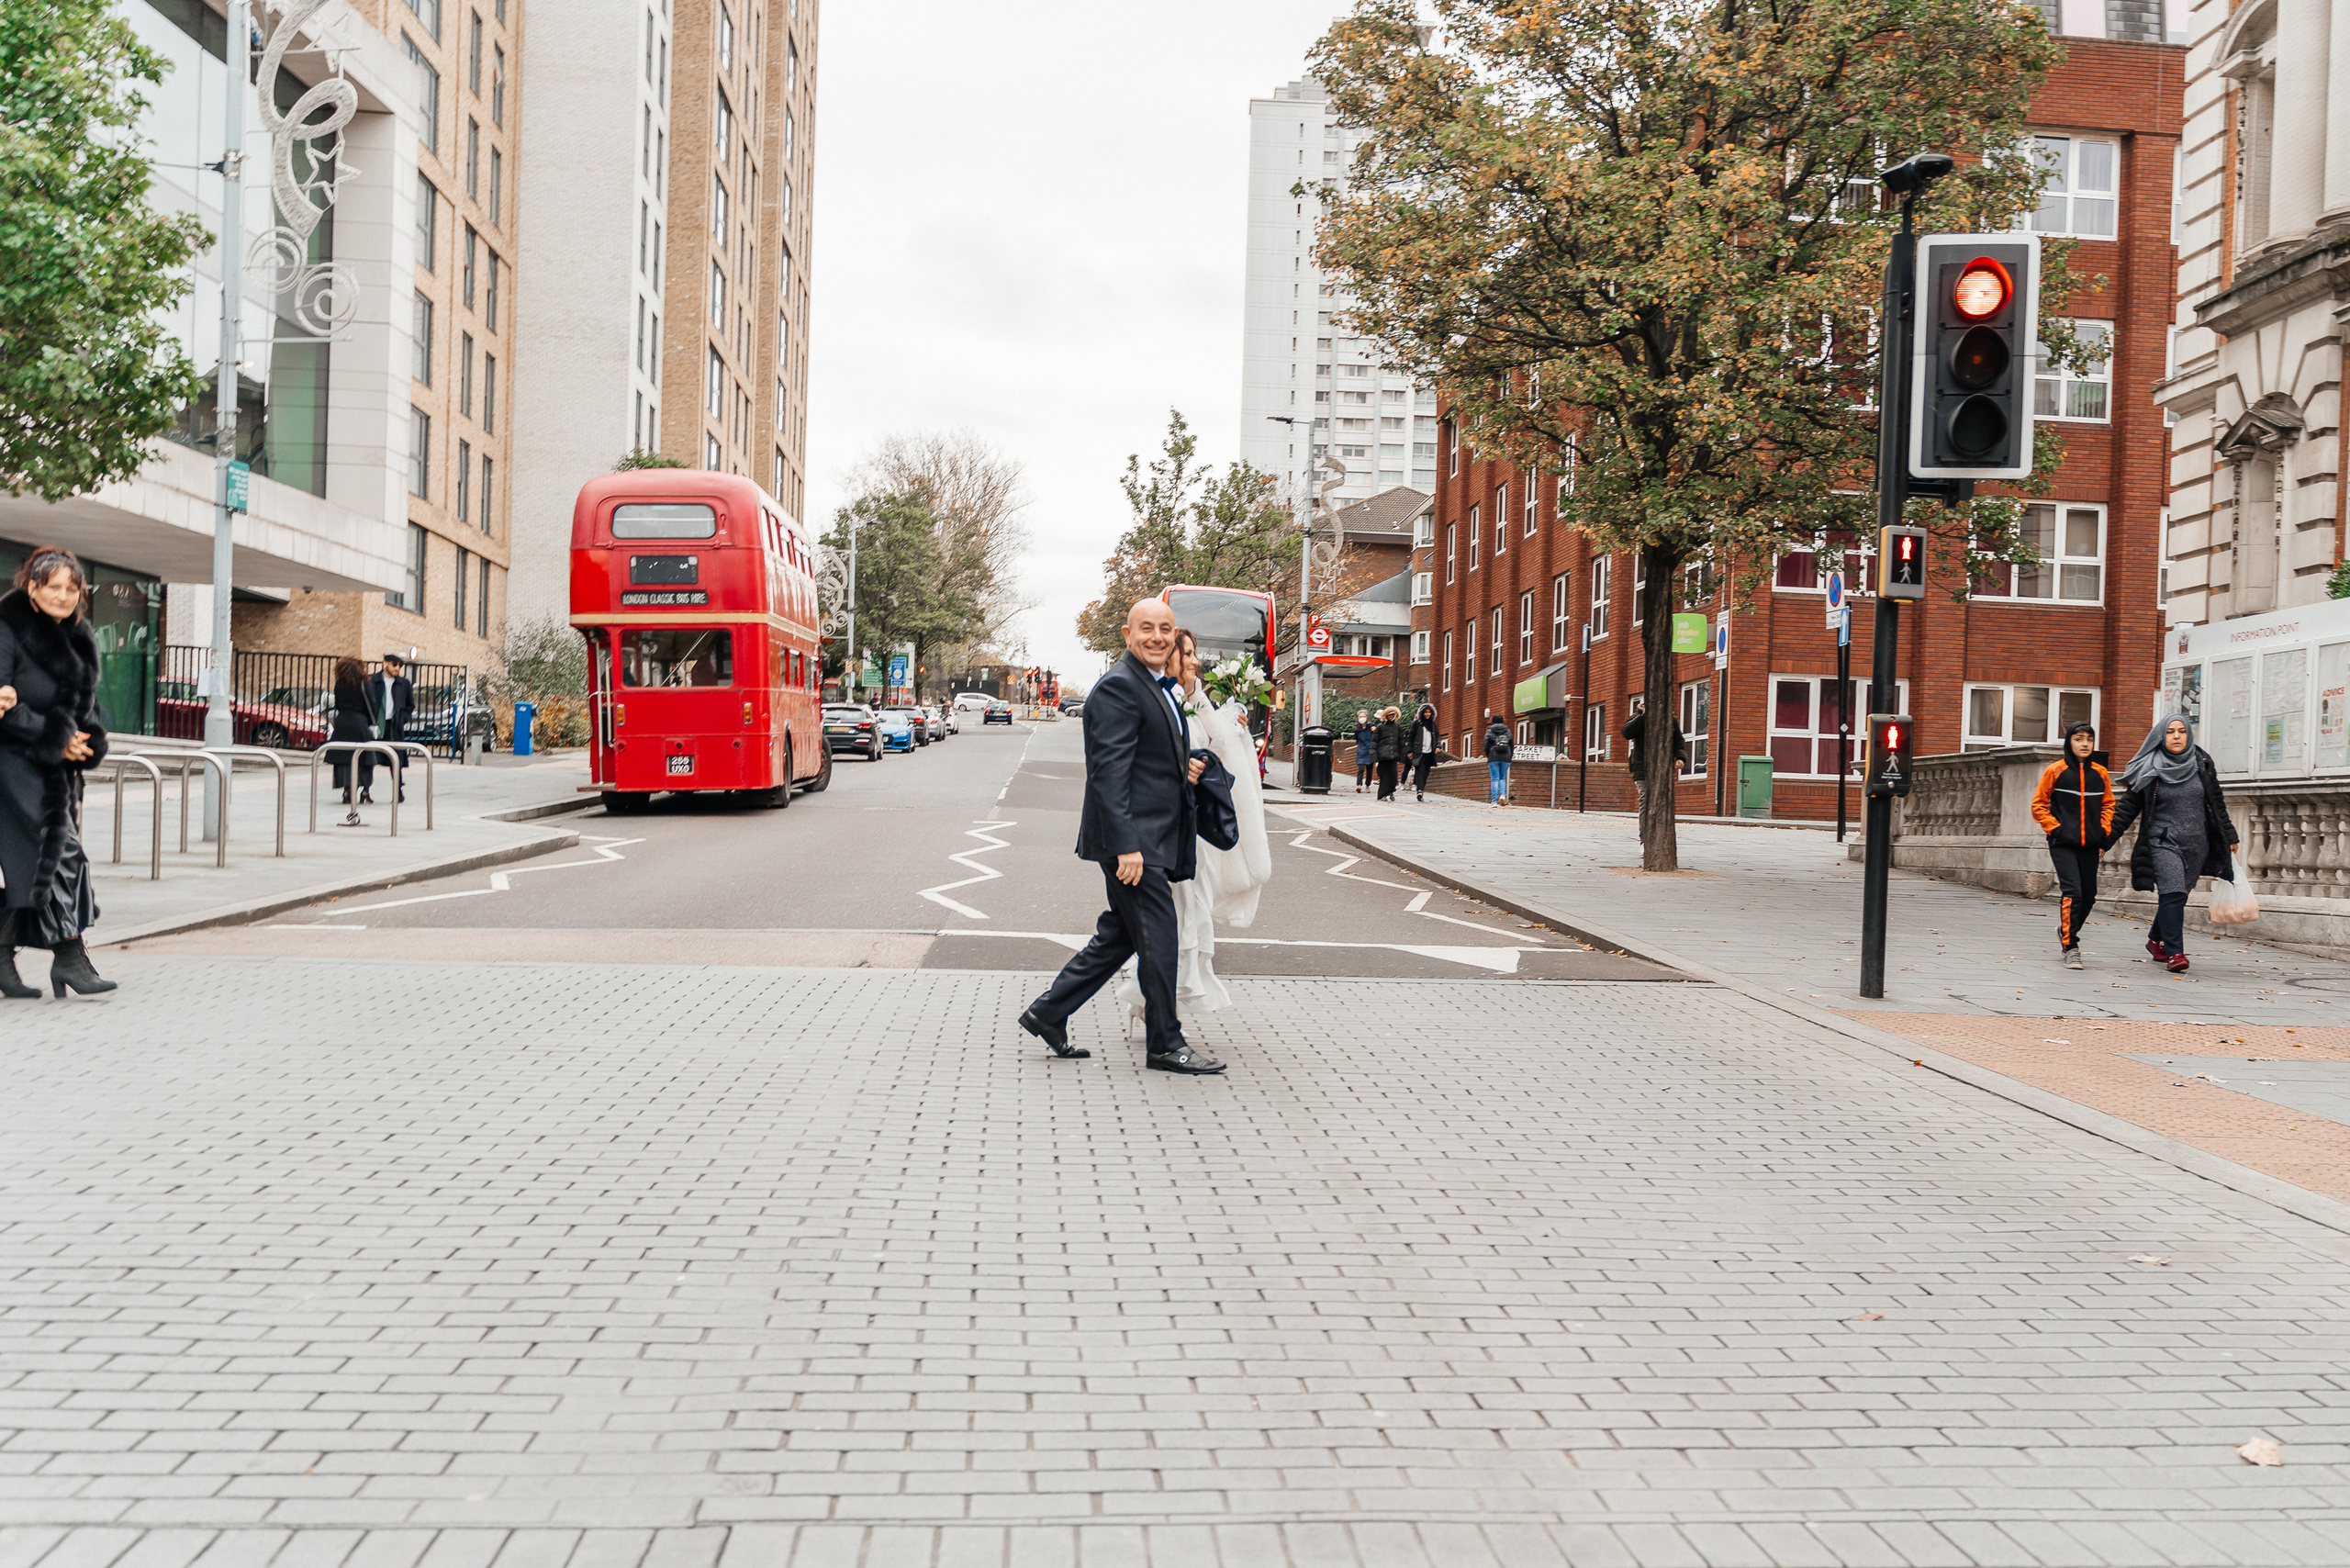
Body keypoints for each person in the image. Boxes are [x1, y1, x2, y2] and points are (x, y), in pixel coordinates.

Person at [1018, 599, 1222, 1074]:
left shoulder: (1153, 684)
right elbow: (1108, 773)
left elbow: (1144, 758)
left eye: (1165, 629)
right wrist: (1127, 845)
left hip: (1149, 834)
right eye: (1146, 628)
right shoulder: (1119, 686)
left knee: (1122, 934)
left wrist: (1184, 767)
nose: (1157, 637)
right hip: (1134, 841)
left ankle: (1048, 1012)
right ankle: (1165, 1044)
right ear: (1128, 635)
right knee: (1160, 936)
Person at [1115, 628, 1272, 1031]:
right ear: (1169, 658)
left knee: (1189, 911)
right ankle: (1159, 1008)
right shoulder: (1160, 700)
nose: (1194, 661)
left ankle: (1155, 1004)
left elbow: (1218, 742)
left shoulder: (1191, 700)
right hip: (1168, 828)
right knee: (1176, 914)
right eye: (1186, 654)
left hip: (1194, 830)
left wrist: (1229, 718)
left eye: (1193, 653)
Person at [0, 546, 116, 999]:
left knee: (30, 865)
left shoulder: (79, 634)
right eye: (54, 587)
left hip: (58, 771)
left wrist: (87, 740)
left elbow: (85, 703)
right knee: (61, 854)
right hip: (13, 764)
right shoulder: (7, 627)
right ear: (33, 588)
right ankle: (69, 955)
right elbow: (4, 705)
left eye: (72, 589)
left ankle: (2, 956)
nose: (64, 596)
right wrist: (56, 736)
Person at [2108, 711, 2240, 975]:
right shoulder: (2149, 768)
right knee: (2173, 892)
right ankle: (2175, 953)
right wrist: (2104, 841)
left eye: (2181, 731)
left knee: (2177, 897)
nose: (2176, 736)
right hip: (2163, 841)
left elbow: (2216, 803)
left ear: (2188, 734)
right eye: (2170, 732)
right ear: (2160, 736)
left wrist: (2230, 835)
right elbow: (2126, 810)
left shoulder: (2201, 762)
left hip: (2197, 844)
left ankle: (2154, 939)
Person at [2031, 721, 2114, 969]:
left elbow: (2109, 805)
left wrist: (2103, 831)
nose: (2085, 744)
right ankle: (2071, 946)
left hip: (2090, 844)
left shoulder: (2100, 773)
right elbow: (2039, 804)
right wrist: (2056, 828)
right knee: (2073, 892)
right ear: (2069, 742)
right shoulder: (2055, 771)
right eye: (2079, 739)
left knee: (2088, 897)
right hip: (2062, 843)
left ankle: (2066, 930)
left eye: (2089, 739)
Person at [328, 657, 378, 826]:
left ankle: (347, 790)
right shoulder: (365, 683)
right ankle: (365, 790)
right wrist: (373, 722)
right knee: (365, 758)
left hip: (342, 722)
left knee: (344, 758)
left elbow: (338, 704)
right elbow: (372, 704)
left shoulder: (339, 684)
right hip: (360, 722)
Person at [1621, 702, 1688, 812]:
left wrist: (1680, 757)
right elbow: (1626, 733)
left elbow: (1678, 741)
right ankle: (1644, 824)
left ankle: (1661, 822)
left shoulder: (1670, 720)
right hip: (1641, 766)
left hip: (1663, 766)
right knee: (1645, 797)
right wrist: (1643, 716)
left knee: (1662, 798)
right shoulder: (1637, 717)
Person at [367, 654, 415, 803]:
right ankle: (365, 791)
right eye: (394, 664)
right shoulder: (372, 680)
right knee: (369, 760)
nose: (397, 668)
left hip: (394, 726)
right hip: (375, 726)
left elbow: (410, 705)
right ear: (385, 663)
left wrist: (402, 719)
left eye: (400, 665)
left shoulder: (403, 683)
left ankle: (398, 791)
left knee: (395, 761)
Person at [1407, 703, 1441, 801]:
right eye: (1426, 712)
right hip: (1419, 752)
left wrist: (1438, 746)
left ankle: (1421, 790)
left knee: (1426, 772)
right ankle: (1420, 790)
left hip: (1429, 752)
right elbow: (1410, 738)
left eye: (1429, 712)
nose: (1427, 714)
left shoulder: (1433, 724)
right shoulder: (1416, 724)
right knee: (1420, 771)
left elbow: (1437, 736)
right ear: (1422, 713)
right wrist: (1409, 751)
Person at [1373, 706, 1405, 800]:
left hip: (1393, 756)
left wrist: (1403, 755)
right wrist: (1374, 756)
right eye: (1389, 715)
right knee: (1384, 777)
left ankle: (1391, 791)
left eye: (1392, 715)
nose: (1390, 717)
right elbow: (1374, 742)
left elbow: (1401, 742)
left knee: (1393, 777)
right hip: (1383, 756)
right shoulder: (1380, 728)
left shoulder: (1398, 727)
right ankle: (1383, 795)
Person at [1482, 713, 1514, 805]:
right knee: (1502, 778)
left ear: (1493, 721)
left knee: (1495, 779)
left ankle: (1494, 801)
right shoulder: (1507, 731)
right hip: (1506, 757)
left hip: (1494, 757)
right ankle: (1503, 795)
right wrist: (1510, 756)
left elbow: (1486, 745)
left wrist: (1489, 755)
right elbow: (1512, 745)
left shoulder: (1489, 731)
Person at [1351, 716, 1375, 792]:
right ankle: (1359, 785)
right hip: (1361, 750)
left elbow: (1375, 737)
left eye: (1363, 716)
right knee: (1360, 769)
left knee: (1369, 770)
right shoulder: (1357, 728)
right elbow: (1357, 739)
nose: (1362, 718)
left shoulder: (1371, 727)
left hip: (1370, 750)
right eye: (1360, 716)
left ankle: (1367, 785)